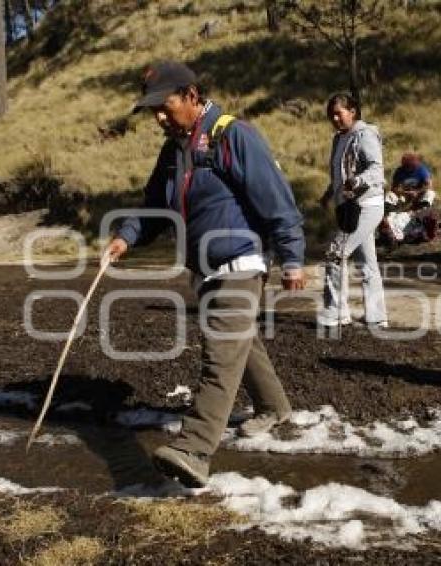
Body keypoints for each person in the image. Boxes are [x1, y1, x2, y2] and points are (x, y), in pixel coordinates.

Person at [104, 61, 306, 487]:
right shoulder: (173, 150)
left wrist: (292, 258)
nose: (159, 116)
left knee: (219, 355)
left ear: (192, 96)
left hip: (241, 263)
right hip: (205, 270)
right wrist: (126, 237)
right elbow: (154, 209)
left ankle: (194, 449)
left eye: (165, 105)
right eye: (152, 109)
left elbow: (277, 200)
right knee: (239, 345)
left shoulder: (233, 135)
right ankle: (275, 407)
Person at [318, 93, 387, 328]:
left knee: (336, 252)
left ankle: (335, 312)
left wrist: (356, 182)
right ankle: (376, 317)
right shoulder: (339, 139)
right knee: (367, 263)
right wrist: (330, 192)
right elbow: (341, 172)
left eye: (339, 113)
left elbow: (377, 171)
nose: (335, 118)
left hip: (367, 205)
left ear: (353, 111)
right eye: (331, 115)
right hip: (349, 208)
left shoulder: (365, 134)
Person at [381, 153, 438, 244]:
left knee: (430, 193)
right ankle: (388, 211)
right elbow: (394, 188)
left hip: (418, 195)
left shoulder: (421, 170)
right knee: (390, 195)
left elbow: (428, 185)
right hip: (404, 196)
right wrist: (405, 193)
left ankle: (422, 209)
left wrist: (417, 192)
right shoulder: (399, 171)